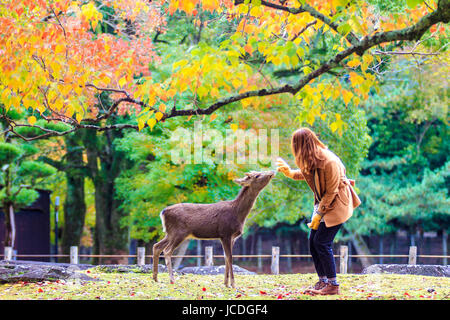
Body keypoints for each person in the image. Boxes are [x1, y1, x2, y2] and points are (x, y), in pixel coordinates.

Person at [276, 127, 361, 295]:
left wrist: (319, 214)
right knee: (313, 243)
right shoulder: (313, 157)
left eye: (295, 145)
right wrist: (290, 173)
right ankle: (323, 281)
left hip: (336, 204)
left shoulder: (329, 161)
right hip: (324, 203)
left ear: (302, 145)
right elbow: (308, 173)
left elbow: (331, 192)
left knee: (322, 242)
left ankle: (333, 285)